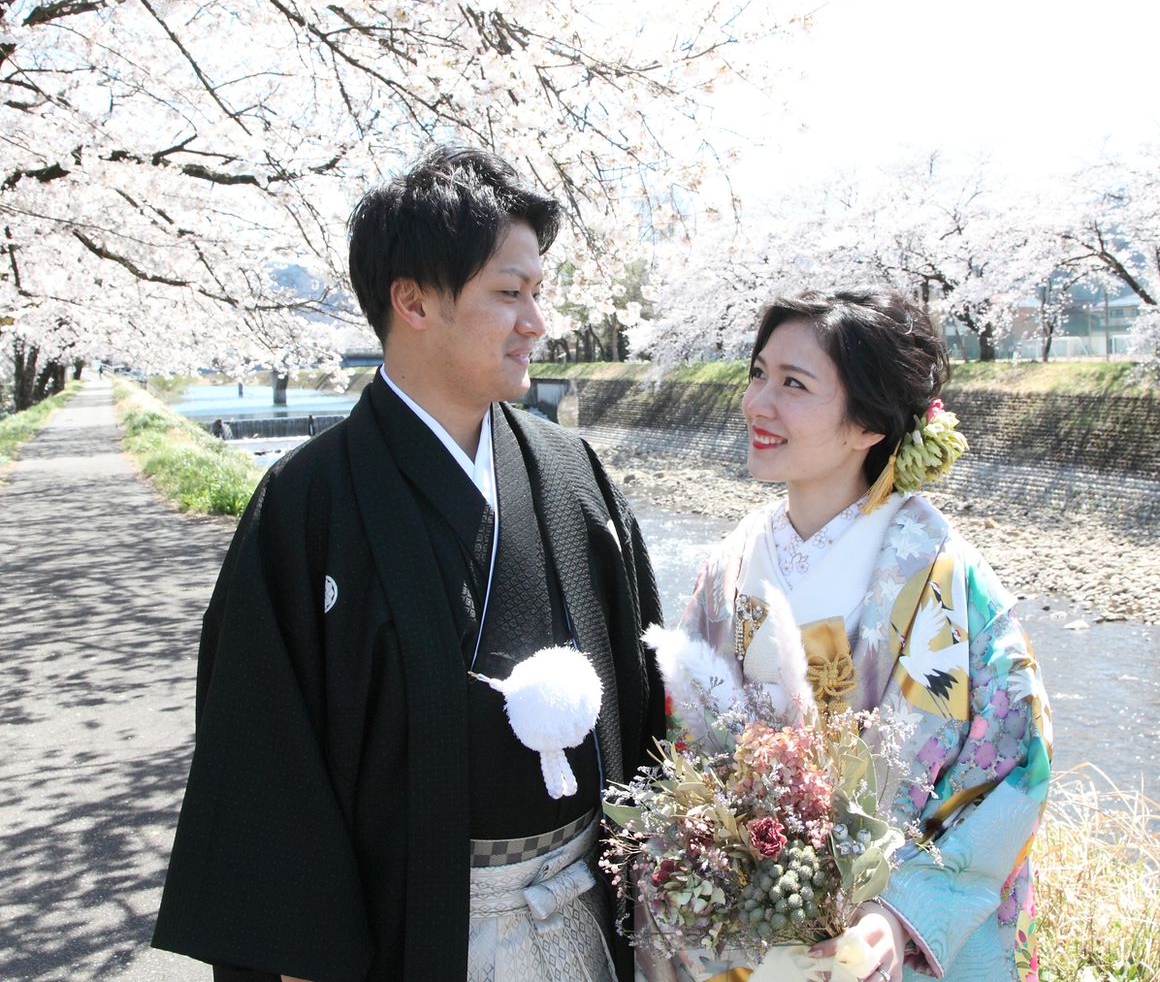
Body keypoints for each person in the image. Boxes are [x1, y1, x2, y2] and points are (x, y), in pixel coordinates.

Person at [153, 146, 665, 981]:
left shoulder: (572, 472)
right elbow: (262, 758)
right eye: (510, 293)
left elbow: (647, 695)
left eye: (537, 292)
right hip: (410, 935)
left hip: (591, 906)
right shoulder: (306, 504)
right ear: (414, 300)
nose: (537, 322)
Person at [650, 288, 1052, 982]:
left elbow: (1014, 755)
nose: (757, 403)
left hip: (884, 937)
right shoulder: (732, 563)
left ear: (868, 423)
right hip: (753, 922)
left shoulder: (941, 571)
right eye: (758, 373)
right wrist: (722, 859)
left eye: (793, 384)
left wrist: (898, 910)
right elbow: (687, 736)